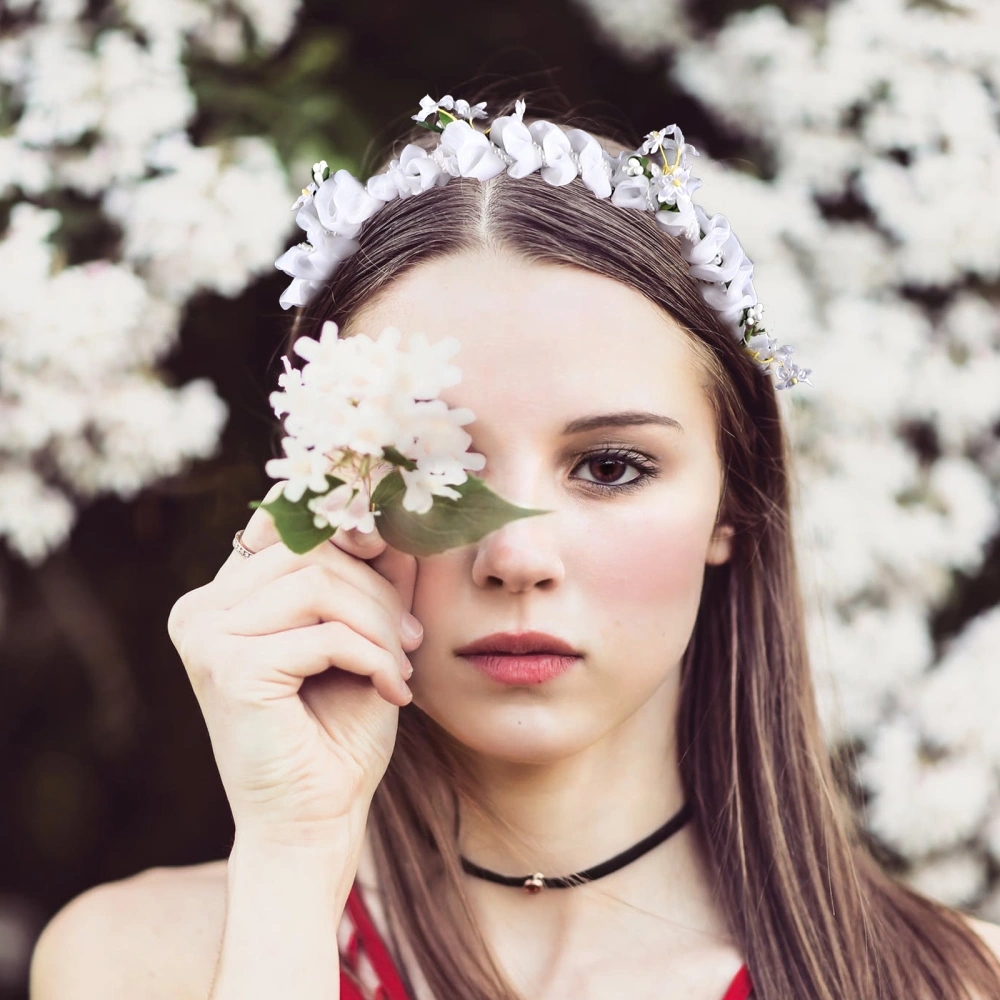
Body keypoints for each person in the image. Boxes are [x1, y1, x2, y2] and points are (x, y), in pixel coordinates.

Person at [28, 87, 1000, 1000]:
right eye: (431, 465)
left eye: (611, 466)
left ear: (730, 506)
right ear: (328, 499)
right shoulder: (141, 961)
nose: (516, 556)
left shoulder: (949, 982)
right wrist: (292, 857)